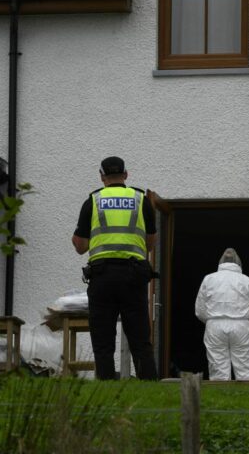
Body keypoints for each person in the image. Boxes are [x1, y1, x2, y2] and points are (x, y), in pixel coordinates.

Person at [71, 156, 158, 380]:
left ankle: (107, 386)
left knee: (103, 340)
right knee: (140, 338)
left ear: (102, 177)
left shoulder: (93, 201)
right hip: (134, 276)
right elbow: (150, 243)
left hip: (102, 276)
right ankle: (148, 385)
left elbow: (80, 246)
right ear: (126, 175)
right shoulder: (141, 200)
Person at [194, 248, 249, 381]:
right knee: (245, 368)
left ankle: (220, 399)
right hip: (241, 325)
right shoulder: (247, 280)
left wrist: (210, 321)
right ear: (238, 263)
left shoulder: (209, 279)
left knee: (218, 370)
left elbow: (200, 309)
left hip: (214, 325)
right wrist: (245, 321)